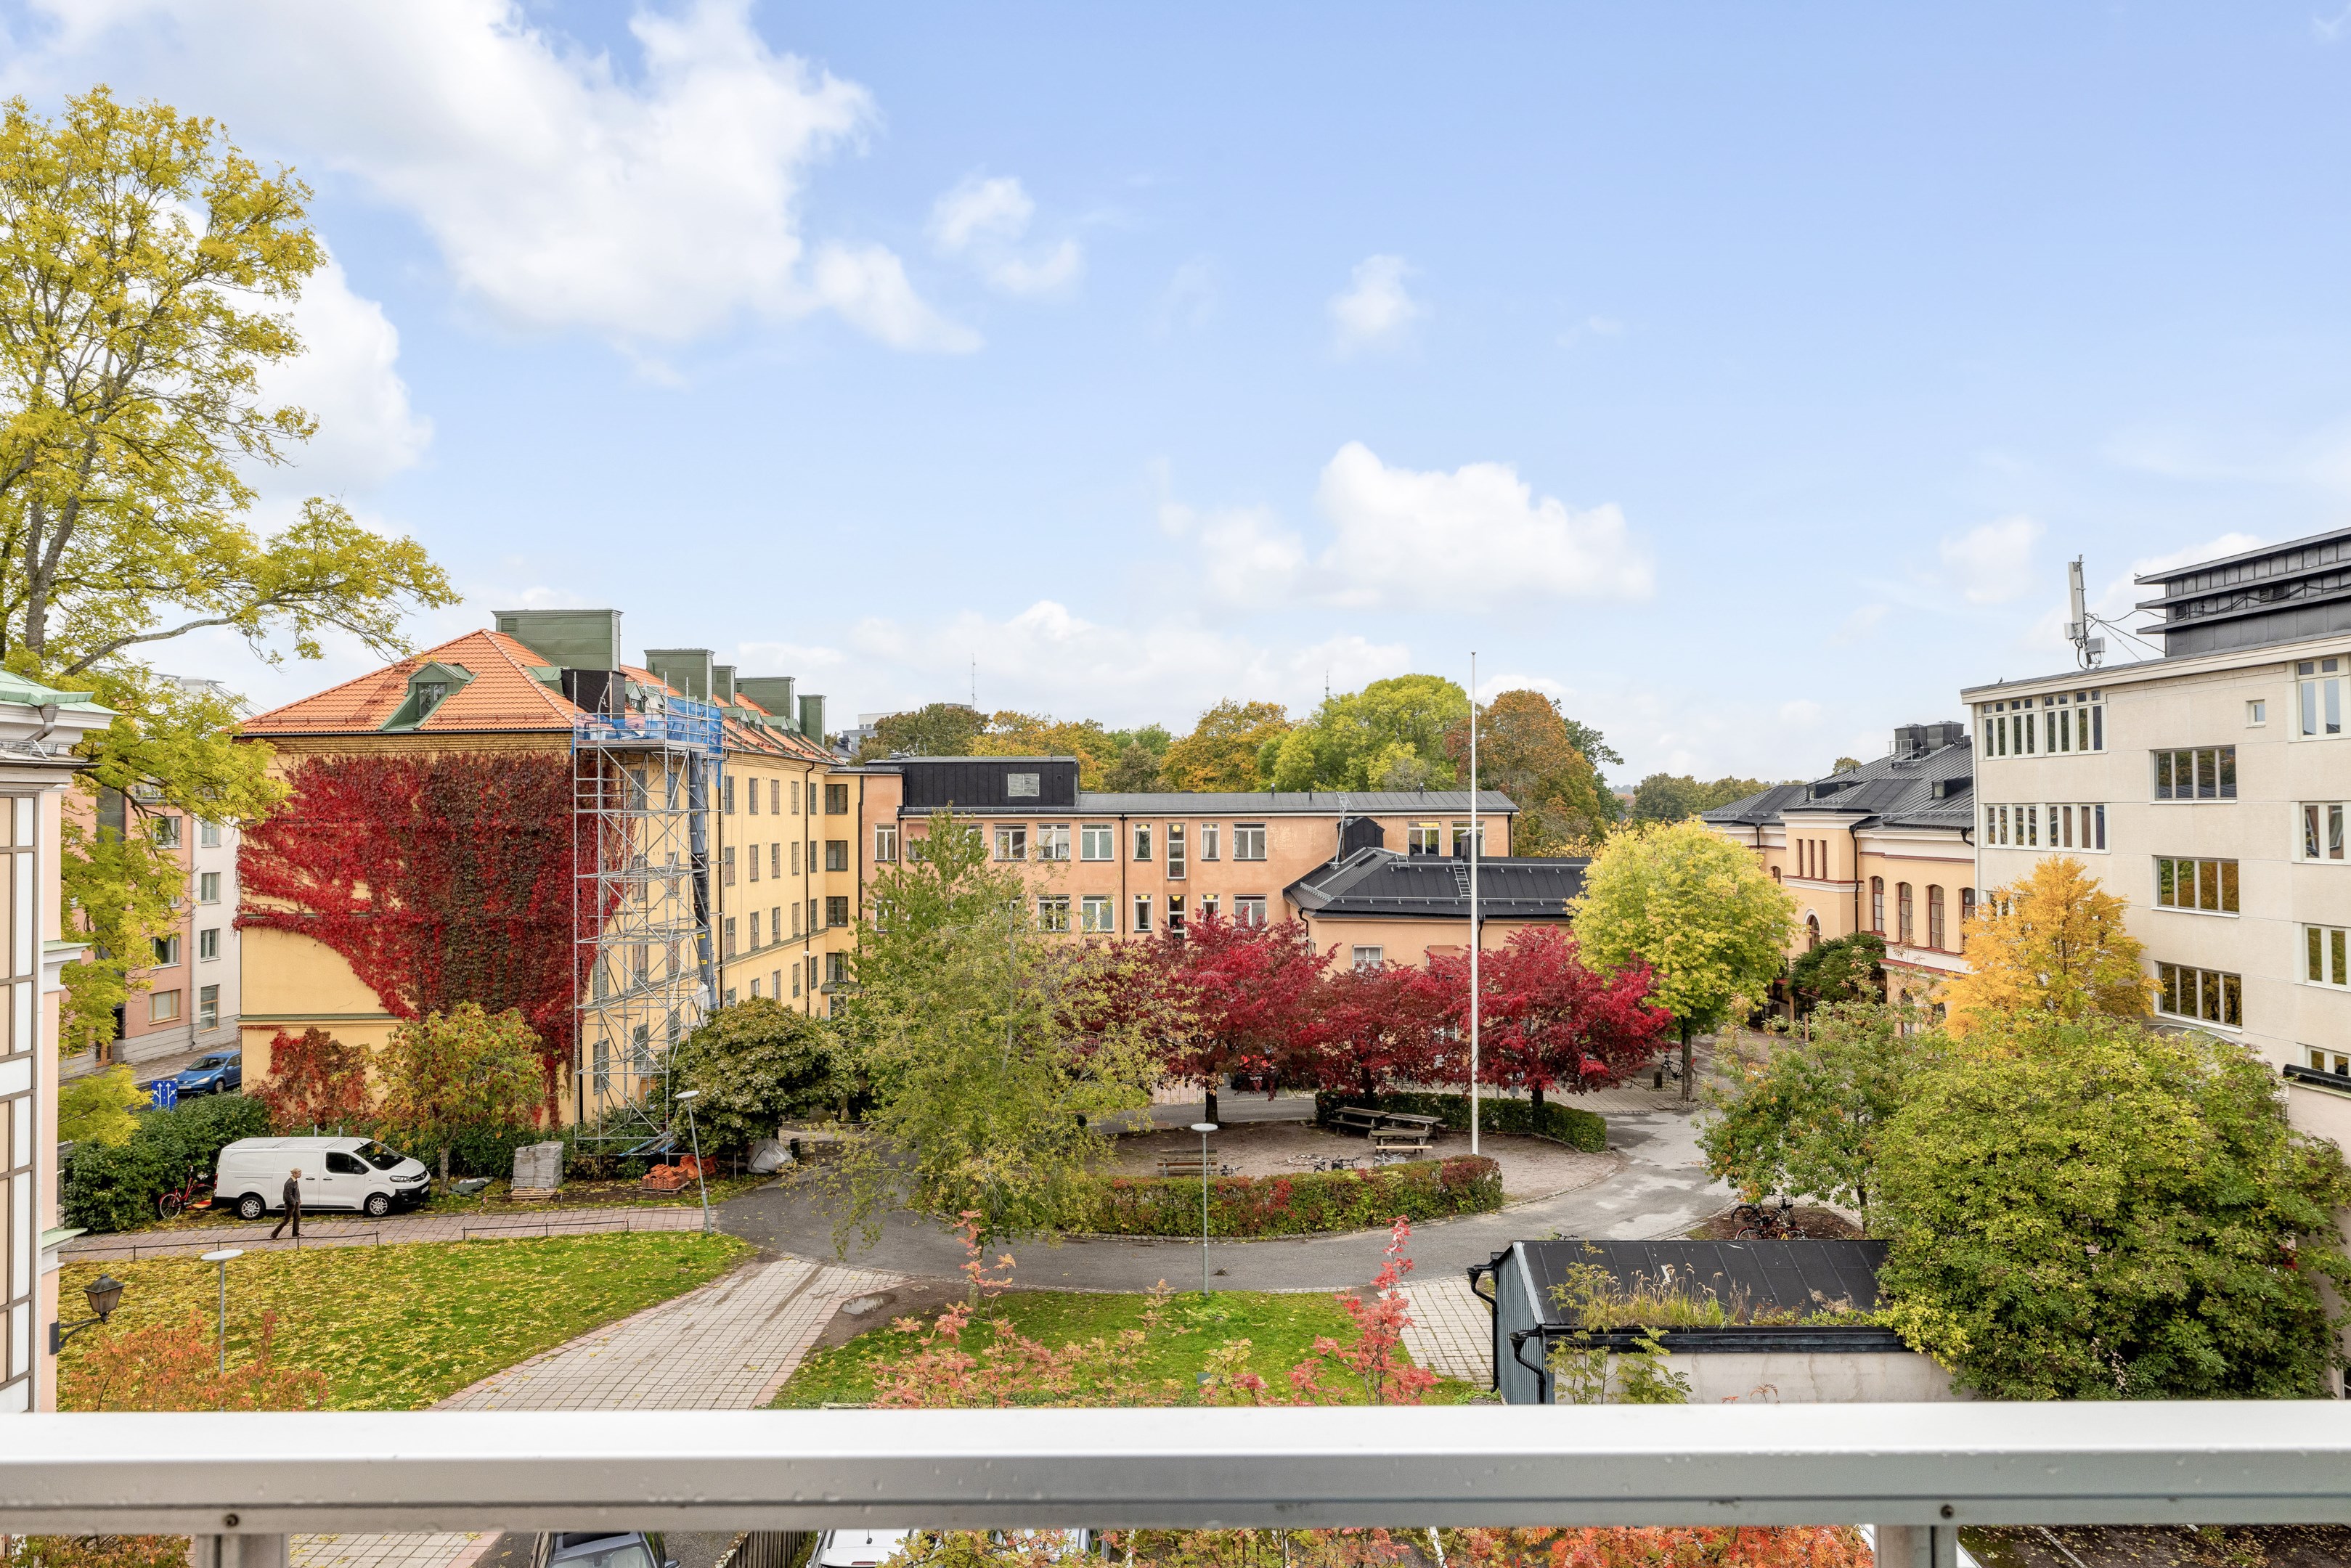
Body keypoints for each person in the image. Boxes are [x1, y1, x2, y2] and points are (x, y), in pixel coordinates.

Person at [270, 1168, 303, 1241]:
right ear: (294, 1174)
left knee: (297, 1217)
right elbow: (288, 1194)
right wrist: (294, 1202)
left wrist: (298, 1199)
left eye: (300, 1174)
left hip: (296, 1202)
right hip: (291, 1204)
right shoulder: (290, 1182)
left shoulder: (295, 1181)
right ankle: (274, 1234)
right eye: (299, 1174)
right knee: (286, 1220)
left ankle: (296, 1233)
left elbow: (296, 1192)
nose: (300, 1175)